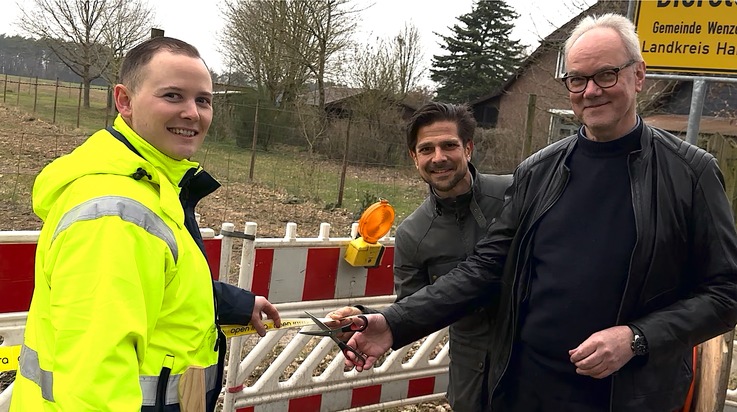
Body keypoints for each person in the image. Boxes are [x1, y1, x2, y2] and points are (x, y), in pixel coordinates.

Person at [342, 13, 737, 412]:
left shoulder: (690, 173)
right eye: (577, 79)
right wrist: (394, 322)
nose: (591, 91)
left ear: (638, 75)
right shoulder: (539, 170)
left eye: (606, 75)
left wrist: (636, 338)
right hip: (529, 389)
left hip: (629, 397)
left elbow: (725, 293)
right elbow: (485, 267)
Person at [10, 37, 281, 412]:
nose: (192, 113)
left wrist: (235, 304)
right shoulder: (115, 215)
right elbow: (95, 383)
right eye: (172, 96)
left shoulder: (151, 185)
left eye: (203, 100)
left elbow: (159, 285)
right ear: (124, 101)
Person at [329, 102, 512, 411]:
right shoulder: (413, 233)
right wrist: (367, 317)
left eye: (449, 145)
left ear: (468, 148)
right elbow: (414, 307)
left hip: (536, 367)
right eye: (426, 149)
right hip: (474, 382)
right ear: (414, 158)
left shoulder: (514, 194)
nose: (438, 158)